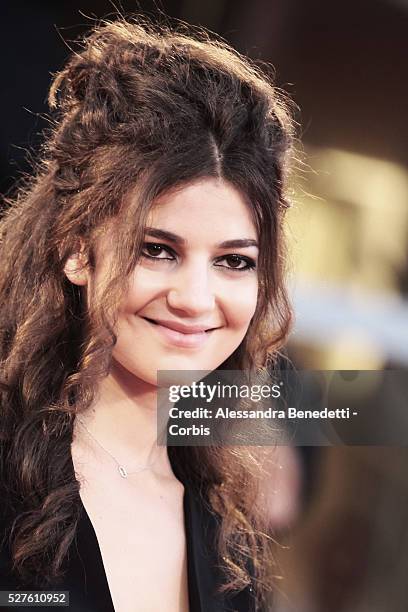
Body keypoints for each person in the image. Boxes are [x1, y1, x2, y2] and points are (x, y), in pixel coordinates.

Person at [0, 17, 295, 612]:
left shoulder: (232, 541)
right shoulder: (10, 487)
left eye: (233, 262)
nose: (194, 297)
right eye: (156, 250)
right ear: (76, 250)